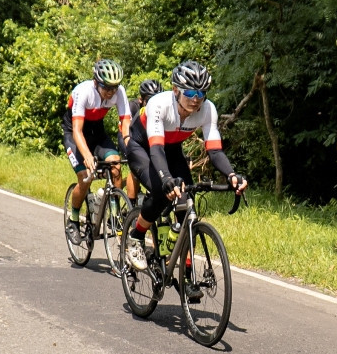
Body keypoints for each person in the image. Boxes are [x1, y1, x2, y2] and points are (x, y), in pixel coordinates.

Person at [124, 61, 247, 299]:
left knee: (186, 209)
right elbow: (156, 151)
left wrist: (231, 175)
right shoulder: (159, 104)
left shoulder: (208, 109)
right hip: (142, 148)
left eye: (201, 93)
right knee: (163, 191)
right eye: (190, 92)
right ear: (176, 89)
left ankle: (186, 275)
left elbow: (215, 151)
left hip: (172, 150)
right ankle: (136, 237)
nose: (196, 99)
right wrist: (167, 179)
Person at [63, 59, 132, 243]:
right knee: (86, 176)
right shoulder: (83, 91)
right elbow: (77, 130)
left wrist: (129, 146)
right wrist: (86, 156)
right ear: (96, 82)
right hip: (74, 133)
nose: (110, 92)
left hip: (97, 132)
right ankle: (74, 219)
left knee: (116, 164)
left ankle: (114, 214)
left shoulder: (119, 92)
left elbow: (125, 121)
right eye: (106, 87)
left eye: (114, 88)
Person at [121, 79, 163, 202]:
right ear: (141, 100)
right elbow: (126, 129)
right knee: (135, 168)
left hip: (145, 139)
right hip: (127, 135)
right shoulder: (133, 107)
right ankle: (131, 204)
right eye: (149, 100)